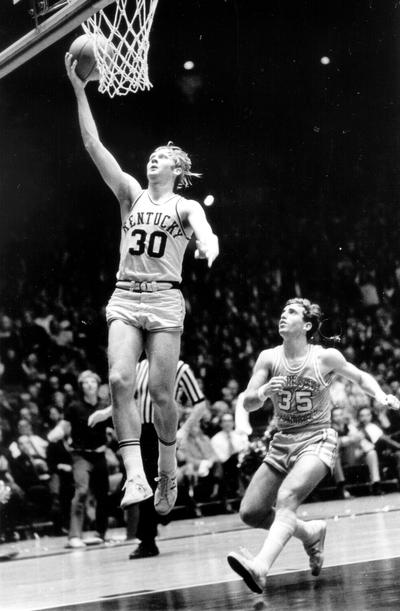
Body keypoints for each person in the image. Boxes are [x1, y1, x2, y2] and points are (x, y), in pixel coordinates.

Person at [65, 55, 219, 517]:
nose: (153, 159)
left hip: (167, 299)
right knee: (117, 379)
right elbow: (93, 144)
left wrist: (208, 243)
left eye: (162, 158)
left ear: (175, 170)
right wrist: (78, 91)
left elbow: (203, 224)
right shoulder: (130, 193)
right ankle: (136, 473)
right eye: (152, 156)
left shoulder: (183, 205)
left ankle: (167, 467)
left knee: (164, 396)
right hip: (127, 295)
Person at [227, 298, 399, 594]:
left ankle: (261, 567)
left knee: (287, 496)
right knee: (251, 513)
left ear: (306, 325)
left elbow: (360, 377)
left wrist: (381, 395)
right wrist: (264, 392)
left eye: (290, 312)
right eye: (282, 311)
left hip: (317, 438)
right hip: (282, 442)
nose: (283, 315)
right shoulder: (268, 358)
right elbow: (248, 401)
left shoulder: (324, 357)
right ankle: (311, 532)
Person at [88, 358, 206, 558]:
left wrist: (184, 430)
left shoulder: (180, 367)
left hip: (162, 431)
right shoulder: (138, 367)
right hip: (139, 430)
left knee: (151, 482)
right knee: (144, 481)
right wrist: (105, 413)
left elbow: (200, 404)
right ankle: (170, 509)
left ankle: (148, 540)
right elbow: (127, 398)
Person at [47, 370, 111, 548]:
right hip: (81, 455)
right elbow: (65, 425)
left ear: (98, 386)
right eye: (86, 382)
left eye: (93, 382)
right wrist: (57, 432)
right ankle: (74, 535)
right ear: (81, 386)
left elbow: (112, 427)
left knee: (102, 495)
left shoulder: (104, 406)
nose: (90, 385)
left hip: (99, 454)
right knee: (81, 491)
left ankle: (101, 533)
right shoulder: (74, 407)